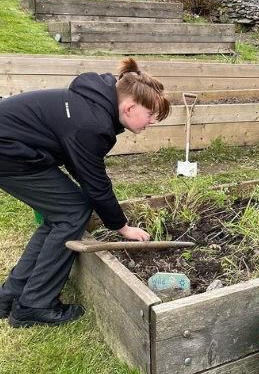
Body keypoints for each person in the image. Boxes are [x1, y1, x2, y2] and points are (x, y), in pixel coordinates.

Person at [0, 57, 171, 328]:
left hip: (13, 148)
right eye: (150, 115)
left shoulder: (94, 106)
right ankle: (35, 305)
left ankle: (10, 296)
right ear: (129, 106)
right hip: (8, 152)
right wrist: (122, 227)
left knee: (62, 214)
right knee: (72, 211)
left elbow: (80, 166)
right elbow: (95, 183)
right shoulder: (92, 124)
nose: (151, 122)